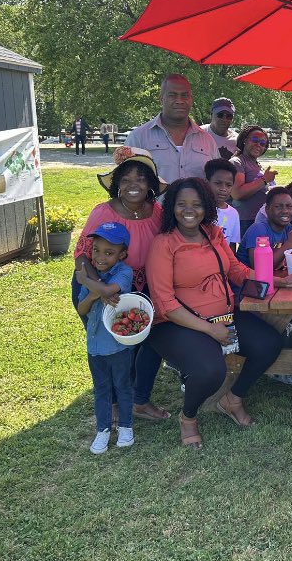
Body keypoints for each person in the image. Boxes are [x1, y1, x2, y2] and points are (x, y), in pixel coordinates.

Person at [143, 177, 292, 449]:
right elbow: (165, 303)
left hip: (224, 315)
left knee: (269, 343)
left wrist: (278, 281)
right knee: (210, 371)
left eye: (196, 204)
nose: (189, 210)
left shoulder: (214, 235)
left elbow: (237, 271)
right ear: (172, 208)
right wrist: (209, 330)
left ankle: (233, 399)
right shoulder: (164, 244)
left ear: (206, 206)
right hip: (176, 324)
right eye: (181, 204)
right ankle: (188, 417)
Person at [72, 146, 169, 424]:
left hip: (142, 287)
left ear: (150, 184)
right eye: (125, 179)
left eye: (140, 178)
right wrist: (99, 288)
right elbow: (82, 253)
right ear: (117, 185)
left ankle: (139, 400)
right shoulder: (104, 212)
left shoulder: (158, 212)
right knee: (113, 347)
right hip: (100, 286)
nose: (133, 185)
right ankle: (114, 403)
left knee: (148, 343)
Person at [74, 222, 135, 454]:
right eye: (96, 250)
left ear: (122, 254)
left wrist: (86, 281)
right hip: (95, 347)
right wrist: (92, 293)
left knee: (123, 387)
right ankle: (103, 430)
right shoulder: (94, 275)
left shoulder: (123, 272)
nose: (100, 257)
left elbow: (111, 291)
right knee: (101, 389)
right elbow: (81, 308)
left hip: (118, 346)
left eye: (109, 253)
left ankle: (126, 428)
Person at [125, 73, 218, 185]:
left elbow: (216, 181)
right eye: (172, 95)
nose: (179, 100)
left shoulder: (207, 141)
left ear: (191, 99)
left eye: (185, 95)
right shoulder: (138, 138)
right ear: (161, 99)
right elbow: (125, 183)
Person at [237, 187, 292, 268]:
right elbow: (260, 267)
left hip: (274, 278)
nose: (285, 211)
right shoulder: (258, 229)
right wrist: (290, 243)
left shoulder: (289, 229)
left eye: (289, 206)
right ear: (267, 209)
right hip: (247, 279)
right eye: (278, 206)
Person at [230, 125, 277, 236]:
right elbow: (237, 193)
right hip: (246, 220)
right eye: (255, 140)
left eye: (262, 143)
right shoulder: (237, 162)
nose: (258, 145)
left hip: (260, 218)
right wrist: (264, 180)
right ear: (245, 140)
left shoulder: (256, 164)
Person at [205, 158, 241, 251]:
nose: (223, 189)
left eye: (228, 185)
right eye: (218, 183)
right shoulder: (200, 210)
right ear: (206, 182)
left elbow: (232, 247)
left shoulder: (233, 214)